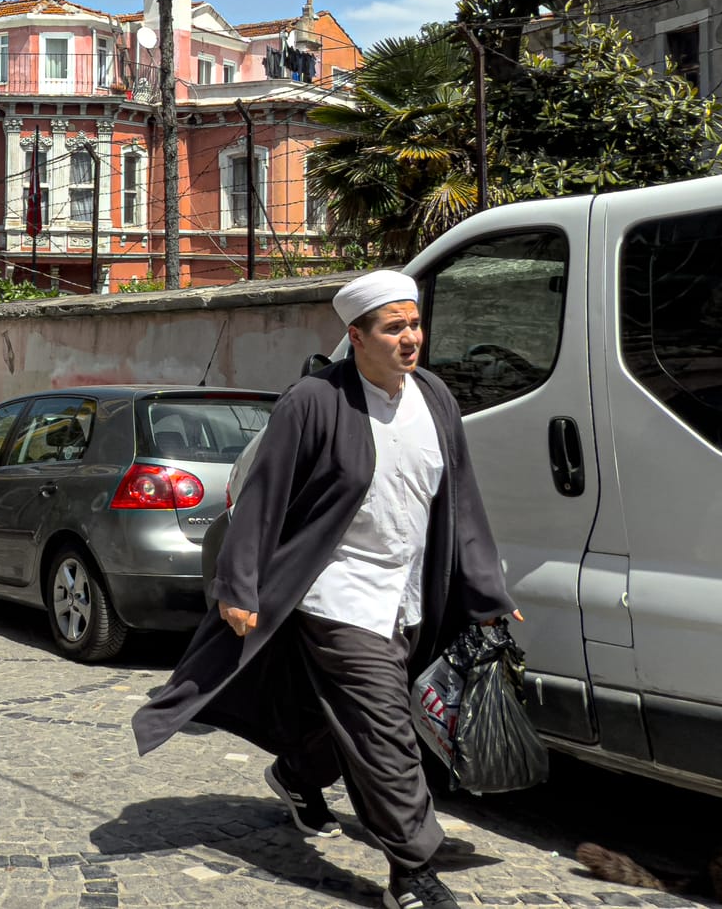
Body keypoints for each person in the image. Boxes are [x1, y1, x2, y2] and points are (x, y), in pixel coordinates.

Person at [133, 271, 518, 909]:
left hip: (408, 593)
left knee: (351, 719)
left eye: (414, 324)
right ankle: (412, 872)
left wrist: (486, 592)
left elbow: (463, 500)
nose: (410, 339)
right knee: (386, 729)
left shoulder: (436, 398)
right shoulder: (314, 401)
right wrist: (239, 583)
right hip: (335, 591)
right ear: (356, 336)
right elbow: (264, 495)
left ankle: (297, 772)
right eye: (393, 327)